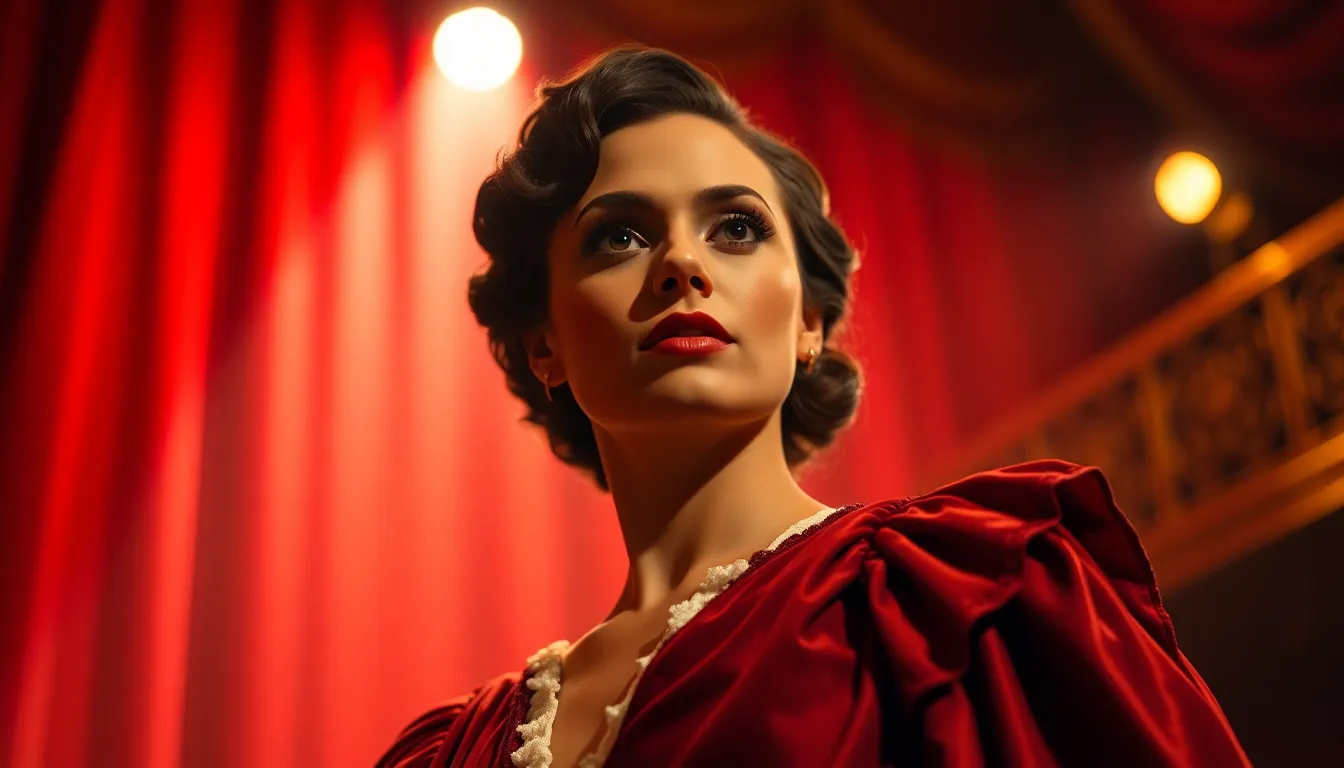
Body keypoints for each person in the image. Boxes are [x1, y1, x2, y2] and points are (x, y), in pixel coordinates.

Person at [377, 46, 1249, 768]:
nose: (682, 264)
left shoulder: (958, 601)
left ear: (810, 323)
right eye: (621, 235)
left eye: (737, 228)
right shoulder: (455, 752)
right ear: (545, 342)